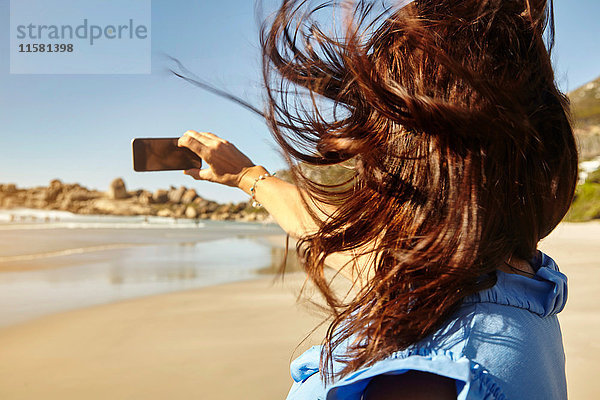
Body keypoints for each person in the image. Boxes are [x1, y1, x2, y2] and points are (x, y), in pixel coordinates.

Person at [176, 0, 577, 398]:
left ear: (406, 159)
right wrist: (248, 177)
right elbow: (346, 242)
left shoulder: (425, 372)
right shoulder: (520, 285)